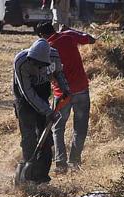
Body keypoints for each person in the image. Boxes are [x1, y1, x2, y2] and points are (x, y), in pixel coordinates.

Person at [40, 22, 97, 171]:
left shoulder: (46, 48)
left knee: (58, 128)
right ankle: (75, 162)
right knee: (80, 127)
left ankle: (60, 163)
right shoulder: (68, 36)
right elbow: (91, 39)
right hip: (81, 89)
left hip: (61, 94)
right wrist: (69, 29)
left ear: (41, 36)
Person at [13, 39, 70, 184]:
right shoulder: (21, 62)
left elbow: (58, 73)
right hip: (24, 100)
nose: (37, 67)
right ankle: (26, 175)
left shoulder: (54, 57)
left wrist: (64, 88)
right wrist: (47, 111)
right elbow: (27, 93)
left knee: (46, 139)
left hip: (42, 94)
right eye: (34, 63)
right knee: (29, 138)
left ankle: (41, 177)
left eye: (40, 65)